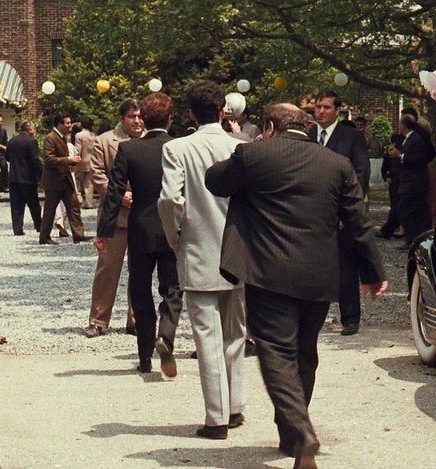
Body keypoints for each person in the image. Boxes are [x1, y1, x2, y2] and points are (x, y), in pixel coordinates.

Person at [205, 103, 388, 468]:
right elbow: (358, 222)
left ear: (270, 127)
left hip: (268, 273)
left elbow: (215, 180)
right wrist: (373, 273)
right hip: (320, 274)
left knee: (276, 352)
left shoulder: (254, 154)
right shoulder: (336, 163)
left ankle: (301, 432)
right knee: (305, 352)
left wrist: (247, 148)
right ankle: (290, 437)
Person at [158, 80, 246, 440]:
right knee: (236, 333)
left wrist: (176, 238)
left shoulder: (177, 148)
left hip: (197, 248)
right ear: (223, 111)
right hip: (239, 250)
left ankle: (216, 416)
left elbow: (169, 200)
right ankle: (235, 405)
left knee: (207, 336)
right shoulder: (241, 146)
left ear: (191, 114)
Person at [95, 92, 182, 377]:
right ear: (170, 119)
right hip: (172, 228)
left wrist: (104, 231)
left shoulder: (129, 150)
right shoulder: (179, 148)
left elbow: (114, 192)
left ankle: (145, 355)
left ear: (143, 119)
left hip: (140, 228)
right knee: (173, 288)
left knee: (140, 289)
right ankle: (166, 335)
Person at [307, 90, 369, 336]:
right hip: (311, 213)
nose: (320, 112)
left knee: (346, 266)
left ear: (337, 110)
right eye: (318, 107)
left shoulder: (352, 137)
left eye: (326, 107)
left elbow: (360, 174)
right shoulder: (308, 135)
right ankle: (310, 318)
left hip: (342, 214)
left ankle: (350, 318)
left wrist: (348, 212)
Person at [85, 100, 144, 337]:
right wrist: (119, 196)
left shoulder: (149, 139)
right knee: (107, 268)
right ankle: (98, 319)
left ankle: (136, 319)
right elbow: (97, 173)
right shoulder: (104, 141)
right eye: (132, 116)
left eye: (140, 116)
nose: (137, 121)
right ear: (121, 118)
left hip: (141, 214)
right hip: (114, 215)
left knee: (139, 270)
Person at [38, 112, 91, 245]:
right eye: (67, 123)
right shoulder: (50, 138)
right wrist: (68, 160)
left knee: (74, 207)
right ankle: (44, 237)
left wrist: (71, 162)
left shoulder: (62, 137)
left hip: (65, 179)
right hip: (54, 181)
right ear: (59, 124)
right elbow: (49, 159)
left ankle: (79, 235)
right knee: (50, 210)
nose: (70, 125)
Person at [396, 114, 433, 249]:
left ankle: (412, 239)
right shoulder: (407, 139)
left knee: (405, 210)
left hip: (414, 183)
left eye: (400, 123)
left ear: (404, 125)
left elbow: (420, 159)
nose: (398, 126)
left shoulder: (416, 139)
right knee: (418, 211)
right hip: (409, 181)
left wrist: (401, 156)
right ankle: (419, 238)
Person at [5, 120, 42, 236]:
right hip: (28, 177)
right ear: (29, 129)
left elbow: (7, 157)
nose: (34, 131)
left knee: (16, 205)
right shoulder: (31, 141)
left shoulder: (11, 141)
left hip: (14, 177)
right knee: (34, 204)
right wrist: (40, 174)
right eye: (34, 128)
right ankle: (39, 226)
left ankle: (17, 229)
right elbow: (35, 160)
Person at [377, 133, 405, 239]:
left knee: (397, 207)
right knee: (395, 205)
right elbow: (384, 168)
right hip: (394, 182)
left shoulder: (401, 154)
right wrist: (386, 177)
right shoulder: (390, 155)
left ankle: (391, 229)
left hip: (400, 182)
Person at [74, 117, 97, 209]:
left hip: (81, 161)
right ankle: (88, 203)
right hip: (91, 161)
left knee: (77, 182)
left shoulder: (79, 135)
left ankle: (78, 200)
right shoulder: (94, 135)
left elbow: (78, 149)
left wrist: (74, 158)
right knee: (89, 184)